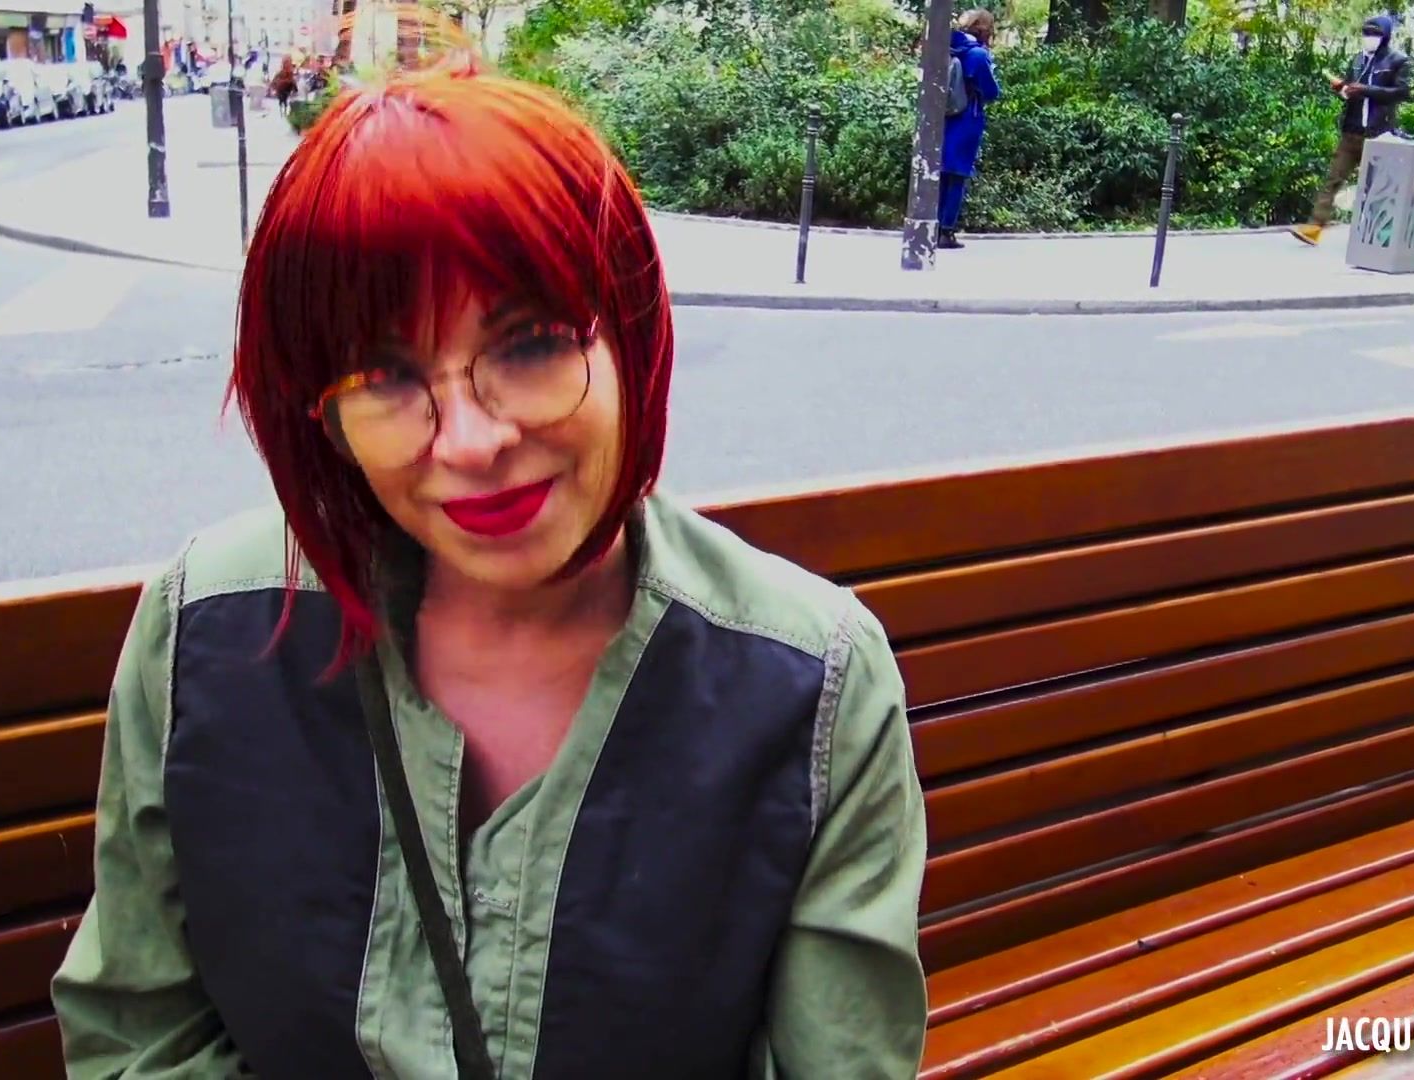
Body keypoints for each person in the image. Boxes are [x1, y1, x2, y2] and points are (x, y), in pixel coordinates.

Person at [50, 35, 929, 1080]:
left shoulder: (812, 685)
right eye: (383, 377)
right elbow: (138, 1036)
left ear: (629, 336)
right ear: (323, 419)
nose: (471, 441)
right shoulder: (205, 630)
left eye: (529, 345)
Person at [1292, 14, 1412, 246]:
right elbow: (1350, 90)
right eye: (1366, 33)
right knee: (1333, 179)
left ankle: (1378, 235)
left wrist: (1365, 89)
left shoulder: (1397, 60)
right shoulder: (1358, 60)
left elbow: (1402, 92)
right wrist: (1342, 89)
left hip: (1378, 133)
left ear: (1386, 36)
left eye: (1375, 34)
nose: (1369, 37)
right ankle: (1314, 228)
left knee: (1377, 187)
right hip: (1352, 131)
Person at [940, 9, 1001, 251]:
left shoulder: (947, 47)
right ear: (983, 28)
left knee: (941, 173)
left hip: (942, 118)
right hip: (967, 118)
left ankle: (932, 225)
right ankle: (946, 231)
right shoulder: (977, 55)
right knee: (957, 175)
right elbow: (991, 92)